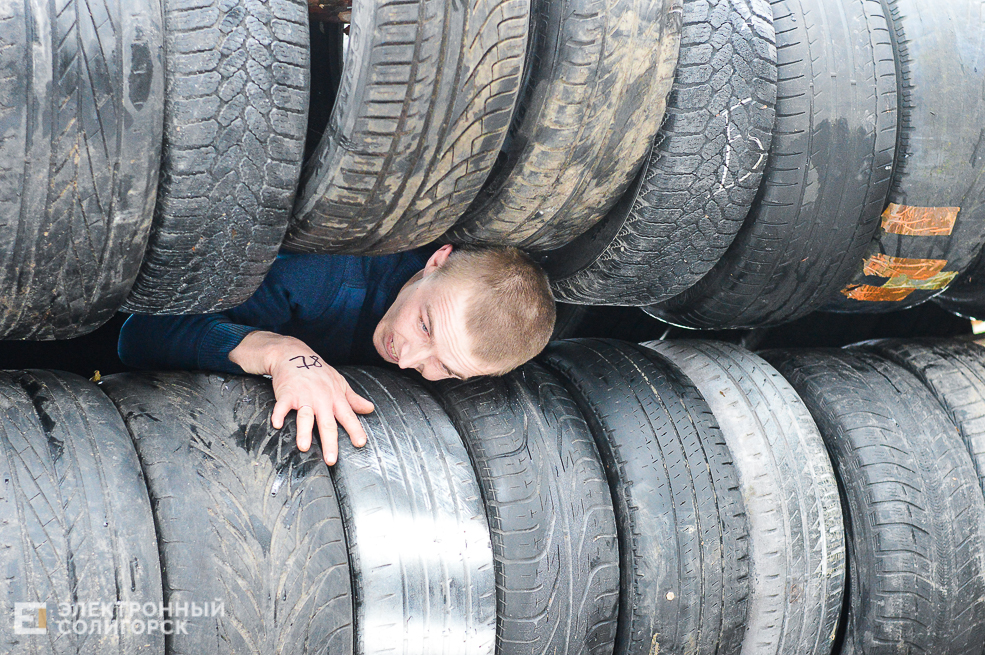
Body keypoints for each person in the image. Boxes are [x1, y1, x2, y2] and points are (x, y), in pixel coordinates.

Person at [118, 243, 556, 465]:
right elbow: (137, 336)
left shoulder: (470, 357)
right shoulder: (321, 275)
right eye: (425, 325)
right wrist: (277, 350)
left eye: (444, 367)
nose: (407, 360)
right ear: (437, 260)